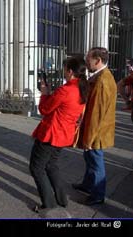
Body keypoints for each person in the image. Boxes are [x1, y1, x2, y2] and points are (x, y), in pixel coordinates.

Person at [29, 57, 89, 211]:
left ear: (70, 71)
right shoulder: (82, 88)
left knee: (36, 167)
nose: (63, 71)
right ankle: (62, 198)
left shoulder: (66, 90)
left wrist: (44, 93)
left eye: (65, 68)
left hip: (52, 134)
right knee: (51, 165)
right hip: (65, 133)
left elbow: (44, 109)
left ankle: (49, 203)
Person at [73, 47, 117, 206]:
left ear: (98, 61)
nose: (86, 62)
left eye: (88, 59)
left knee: (95, 160)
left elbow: (96, 115)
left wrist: (89, 139)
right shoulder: (100, 76)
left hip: (96, 132)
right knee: (90, 159)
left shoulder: (103, 81)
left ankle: (98, 194)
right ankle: (87, 185)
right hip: (95, 130)